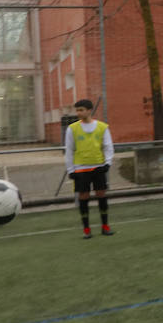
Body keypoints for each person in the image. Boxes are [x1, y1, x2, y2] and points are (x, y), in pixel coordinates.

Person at [64, 98, 115, 239]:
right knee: (83, 197)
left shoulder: (102, 127)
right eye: (77, 110)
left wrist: (107, 163)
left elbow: (108, 146)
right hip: (81, 169)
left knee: (101, 196)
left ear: (89, 110)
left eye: (81, 110)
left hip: (98, 167)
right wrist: (70, 170)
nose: (79, 113)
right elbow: (69, 150)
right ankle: (86, 229)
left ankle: (105, 226)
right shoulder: (72, 129)